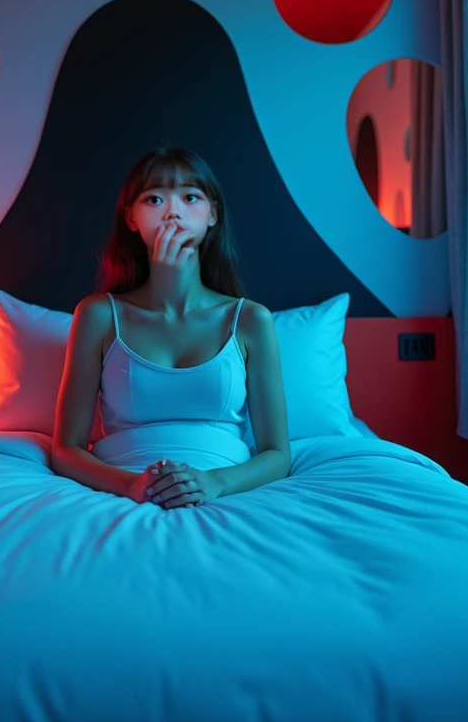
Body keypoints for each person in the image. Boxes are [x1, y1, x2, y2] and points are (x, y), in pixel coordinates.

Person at [51, 143, 291, 510]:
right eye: (154, 200)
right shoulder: (98, 315)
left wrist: (213, 483)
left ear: (213, 215)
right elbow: (66, 448)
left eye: (190, 197)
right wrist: (133, 485)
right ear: (131, 218)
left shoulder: (250, 319)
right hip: (121, 496)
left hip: (225, 493)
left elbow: (277, 453)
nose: (173, 212)